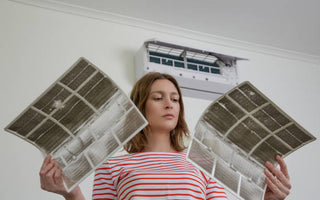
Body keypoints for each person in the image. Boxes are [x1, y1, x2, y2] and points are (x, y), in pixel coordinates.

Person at [40, 72, 291, 200]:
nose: (169, 104)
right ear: (139, 106)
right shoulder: (112, 164)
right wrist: (70, 194)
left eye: (175, 99)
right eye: (158, 98)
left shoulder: (203, 160)